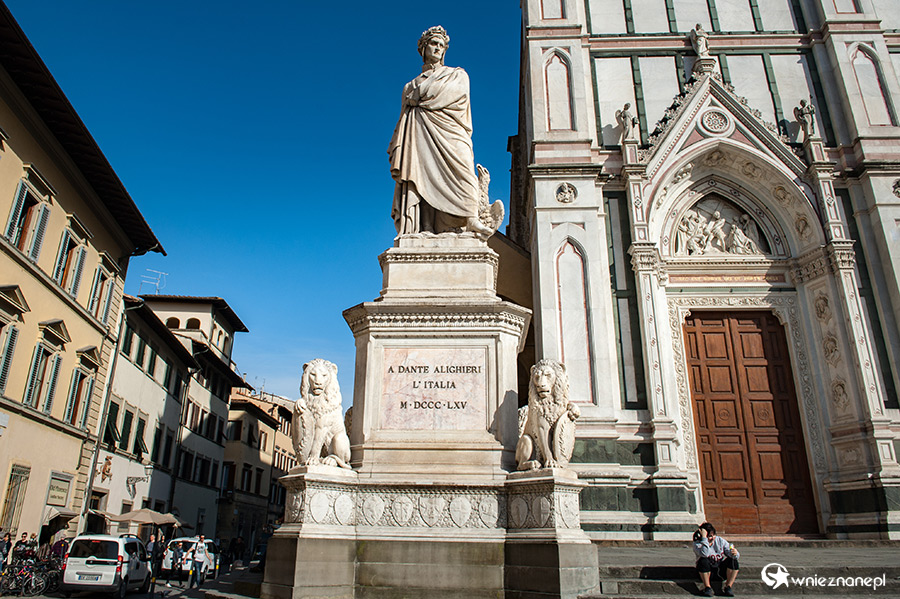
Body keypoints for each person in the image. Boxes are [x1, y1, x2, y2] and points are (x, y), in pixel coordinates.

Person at [388, 25, 492, 238]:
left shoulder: (457, 75)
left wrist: (422, 95)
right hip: (420, 133)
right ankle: (424, 227)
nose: (437, 48)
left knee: (464, 170)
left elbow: (455, 94)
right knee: (420, 175)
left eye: (441, 45)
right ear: (424, 48)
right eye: (433, 44)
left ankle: (470, 217)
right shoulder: (409, 86)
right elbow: (403, 118)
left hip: (452, 131)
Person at [693, 522, 739, 597]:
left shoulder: (720, 541)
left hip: (719, 570)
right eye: (709, 536)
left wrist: (734, 553)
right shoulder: (698, 543)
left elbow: (733, 554)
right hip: (706, 572)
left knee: (733, 561)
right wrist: (704, 539)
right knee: (703, 560)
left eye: (713, 535)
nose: (712, 538)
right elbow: (705, 554)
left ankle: (728, 587)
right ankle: (707, 587)